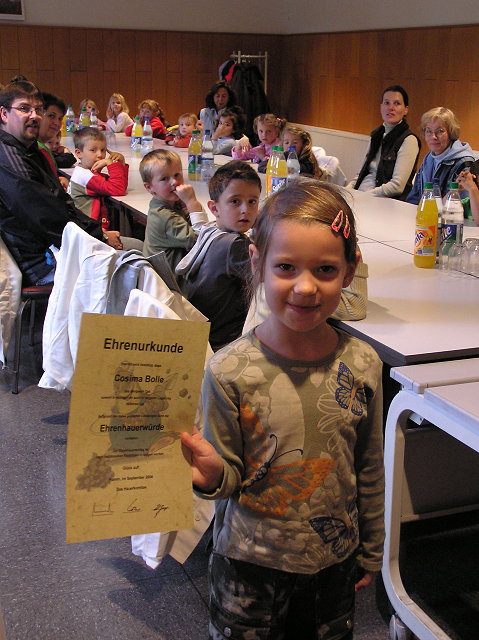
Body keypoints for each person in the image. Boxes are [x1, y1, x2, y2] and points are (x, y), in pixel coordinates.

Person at [181, 179, 384, 640]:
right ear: (258, 262)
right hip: (248, 564)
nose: (306, 287)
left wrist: (371, 547)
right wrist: (213, 475)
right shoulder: (231, 370)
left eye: (326, 270)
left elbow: (368, 464)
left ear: (350, 272)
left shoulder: (363, 363)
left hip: (332, 558)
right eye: (287, 267)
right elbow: (229, 474)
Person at [0, 79, 119, 285]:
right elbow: (47, 218)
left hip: (60, 248)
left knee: (138, 255)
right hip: (44, 263)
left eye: (38, 109)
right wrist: (101, 237)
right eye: (24, 109)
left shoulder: (29, 150)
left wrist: (98, 233)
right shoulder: (8, 158)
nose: (34, 115)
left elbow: (63, 203)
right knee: (138, 259)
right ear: (3, 114)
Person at [175, 160, 261, 351]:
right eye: (235, 201)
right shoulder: (236, 246)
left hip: (203, 332)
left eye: (252, 201)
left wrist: (191, 202)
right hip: (225, 342)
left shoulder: (211, 231)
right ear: (214, 209)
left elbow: (198, 225)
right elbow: (268, 279)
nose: (245, 209)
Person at [347, 85, 420, 200]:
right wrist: (347, 191)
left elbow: (397, 186)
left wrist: (363, 196)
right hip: (362, 195)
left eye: (397, 103)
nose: (391, 107)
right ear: (381, 107)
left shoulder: (409, 140)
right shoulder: (376, 135)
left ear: (406, 109)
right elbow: (361, 173)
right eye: (386, 103)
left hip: (383, 201)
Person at [139, 149, 208, 267]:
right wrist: (192, 202)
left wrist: (188, 203)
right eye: (164, 178)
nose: (174, 182)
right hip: (170, 282)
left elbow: (200, 226)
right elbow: (202, 240)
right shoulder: (163, 216)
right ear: (149, 187)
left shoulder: (171, 203)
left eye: (177, 175)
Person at [407, 107, 475, 205]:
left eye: (439, 131)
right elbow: (415, 197)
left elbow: (462, 204)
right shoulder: (428, 158)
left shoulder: (464, 163)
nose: (433, 137)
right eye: (429, 131)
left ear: (450, 133)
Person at [68, 127, 128, 234]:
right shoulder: (84, 176)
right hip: (88, 233)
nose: (100, 155)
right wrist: (111, 164)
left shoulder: (88, 172)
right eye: (93, 150)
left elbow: (119, 186)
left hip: (94, 230)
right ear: (78, 153)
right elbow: (118, 189)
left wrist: (121, 164)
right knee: (137, 245)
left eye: (103, 150)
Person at [458, 161, 479, 225]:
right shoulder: (468, 203)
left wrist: (472, 188)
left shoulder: (473, 189)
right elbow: (443, 211)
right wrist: (455, 190)